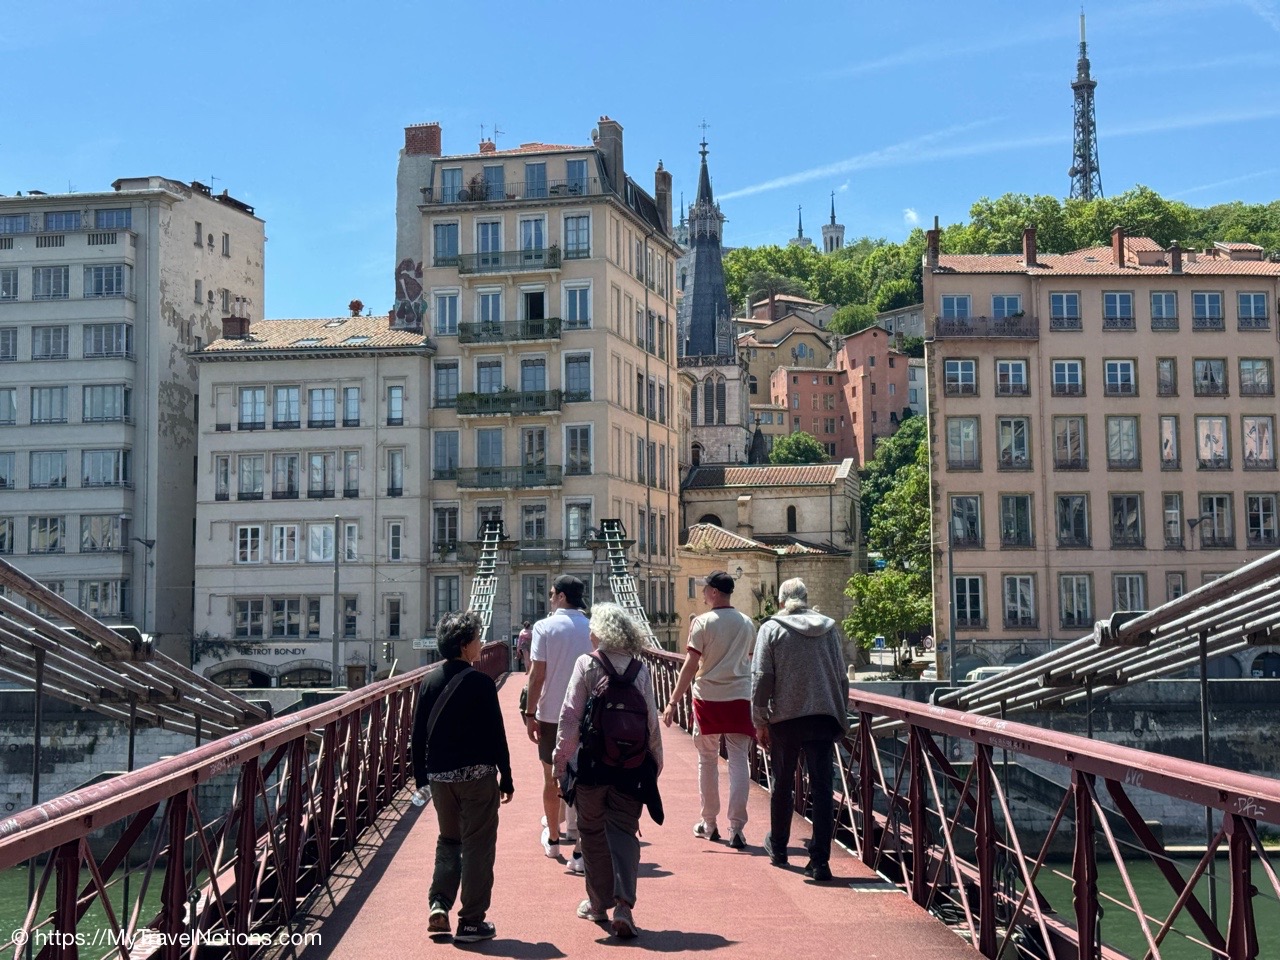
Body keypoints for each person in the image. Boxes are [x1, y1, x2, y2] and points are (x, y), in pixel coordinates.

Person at [554, 603, 663, 939]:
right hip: (631, 767)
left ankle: (598, 904)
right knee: (624, 833)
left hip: (592, 767)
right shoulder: (640, 670)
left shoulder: (587, 664)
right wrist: (654, 764)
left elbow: (570, 717)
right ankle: (624, 906)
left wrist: (561, 761)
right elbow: (651, 723)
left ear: (599, 633)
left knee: (592, 833)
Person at [410, 610, 514, 942]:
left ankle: (439, 905)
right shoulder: (482, 683)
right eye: (478, 638)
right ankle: (470, 921)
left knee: (449, 840)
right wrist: (507, 777)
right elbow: (496, 734)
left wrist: (421, 779)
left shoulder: (429, 682)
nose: (481, 644)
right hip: (477, 778)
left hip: (440, 779)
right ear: (465, 645)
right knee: (477, 846)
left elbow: (417, 736)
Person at [751, 578, 848, 882]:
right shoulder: (829, 629)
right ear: (806, 598)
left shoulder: (771, 628)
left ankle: (779, 847)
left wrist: (760, 720)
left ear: (781, 602)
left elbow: (762, 677)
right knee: (822, 788)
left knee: (783, 782)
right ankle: (820, 861)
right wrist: (840, 714)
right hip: (823, 716)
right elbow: (841, 676)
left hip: (786, 717)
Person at [661, 570, 755, 849]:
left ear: (714, 592)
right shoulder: (747, 623)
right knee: (739, 761)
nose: (702, 593)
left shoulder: (701, 623)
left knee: (708, 760)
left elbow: (691, 665)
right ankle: (737, 828)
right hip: (739, 697)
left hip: (708, 699)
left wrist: (672, 701)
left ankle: (709, 823)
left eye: (705, 589)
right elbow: (750, 661)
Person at [524, 575, 592, 868]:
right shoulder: (593, 627)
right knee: (585, 778)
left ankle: (553, 840)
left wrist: (530, 714)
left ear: (562, 596)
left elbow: (537, 674)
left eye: (552, 593)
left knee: (551, 778)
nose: (550, 598)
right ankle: (579, 846)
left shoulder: (544, 627)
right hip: (586, 714)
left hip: (552, 714)